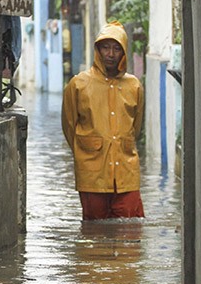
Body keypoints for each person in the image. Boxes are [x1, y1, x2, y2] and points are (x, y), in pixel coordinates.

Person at [61, 21, 144, 220]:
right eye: (105, 47)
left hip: (126, 171)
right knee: (94, 232)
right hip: (92, 173)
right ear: (98, 49)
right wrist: (87, 151)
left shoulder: (134, 86)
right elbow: (69, 126)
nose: (111, 54)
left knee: (130, 232)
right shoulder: (79, 84)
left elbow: (136, 127)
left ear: (123, 52)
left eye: (117, 48)